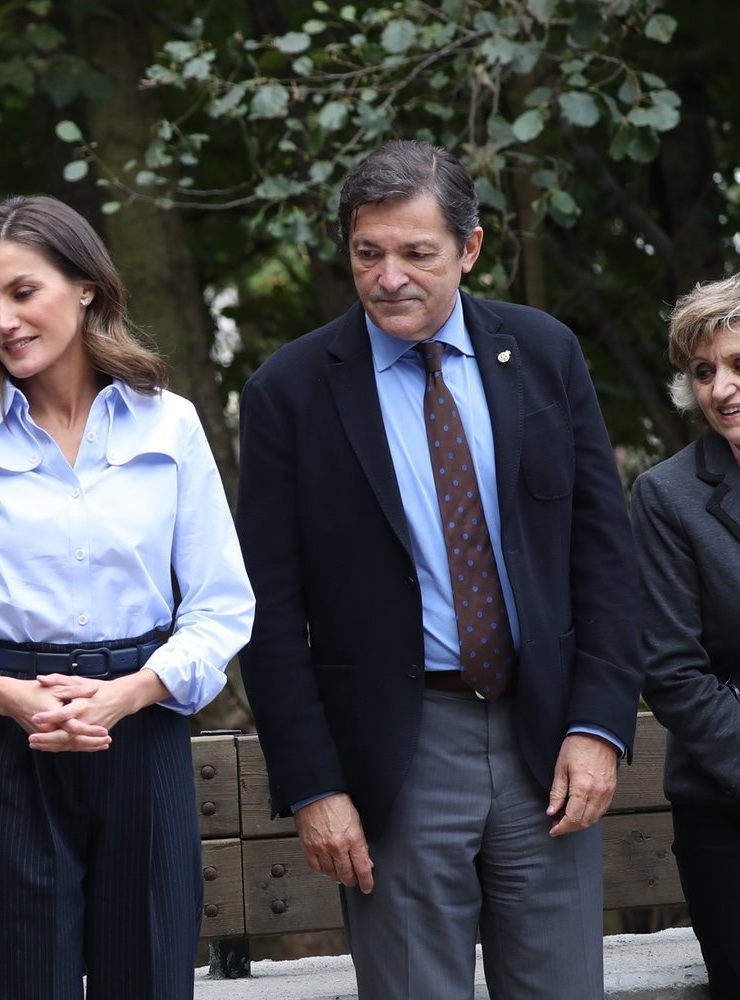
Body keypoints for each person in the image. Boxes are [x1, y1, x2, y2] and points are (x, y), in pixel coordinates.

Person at [235, 140, 641, 999]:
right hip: (398, 753)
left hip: (550, 747)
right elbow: (268, 613)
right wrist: (314, 785)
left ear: (470, 248)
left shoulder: (544, 353)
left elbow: (604, 558)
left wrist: (600, 727)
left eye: (417, 253)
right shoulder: (291, 391)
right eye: (368, 253)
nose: (389, 278)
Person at [0, 194, 254, 999]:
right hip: (8, 744)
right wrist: (11, 699)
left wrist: (128, 694)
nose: (4, 321)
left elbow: (223, 607)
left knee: (150, 979)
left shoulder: (172, 425)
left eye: (23, 292)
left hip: (143, 732)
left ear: (86, 285)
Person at [631, 272, 740, 999]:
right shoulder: (667, 497)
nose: (721, 388)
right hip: (727, 813)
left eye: (738, 365)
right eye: (705, 371)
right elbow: (673, 673)